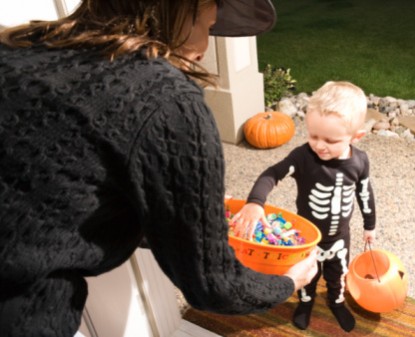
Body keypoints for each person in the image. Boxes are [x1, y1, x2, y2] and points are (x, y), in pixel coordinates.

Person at [0, 1, 318, 336]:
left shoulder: (16, 45)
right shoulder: (166, 100)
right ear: (177, 10)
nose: (203, 49)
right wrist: (286, 282)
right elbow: (214, 285)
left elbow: (67, 195)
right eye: (207, 27)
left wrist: (181, 212)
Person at [231, 81, 377, 332]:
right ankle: (306, 302)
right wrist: (255, 203)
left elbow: (364, 193)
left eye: (331, 140)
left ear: (356, 137)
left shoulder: (360, 161)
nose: (320, 145)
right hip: (308, 236)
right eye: (313, 135)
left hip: (341, 236)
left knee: (338, 272)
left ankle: (337, 301)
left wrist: (370, 225)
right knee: (306, 273)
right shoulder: (303, 157)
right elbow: (271, 174)